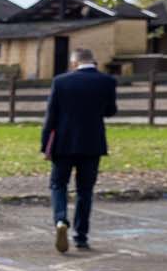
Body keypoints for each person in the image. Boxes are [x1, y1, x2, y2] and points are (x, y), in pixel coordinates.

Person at [42, 46, 118, 252]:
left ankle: (60, 219)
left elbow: (51, 116)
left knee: (58, 184)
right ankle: (81, 236)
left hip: (64, 143)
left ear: (74, 63)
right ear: (93, 61)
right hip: (92, 142)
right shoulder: (107, 81)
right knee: (85, 190)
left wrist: (44, 145)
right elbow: (111, 111)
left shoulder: (61, 81)